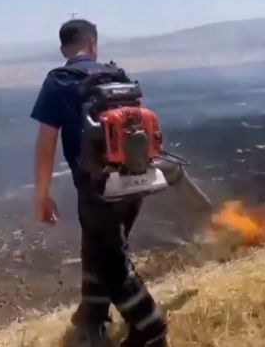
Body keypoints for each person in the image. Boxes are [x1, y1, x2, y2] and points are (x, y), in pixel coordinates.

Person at [30, 19, 168, 347]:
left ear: (64, 49)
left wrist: (42, 196)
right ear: (93, 44)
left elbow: (46, 143)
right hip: (135, 180)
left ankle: (151, 330)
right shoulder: (116, 76)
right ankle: (94, 316)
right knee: (100, 248)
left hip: (98, 187)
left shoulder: (59, 80)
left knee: (110, 262)